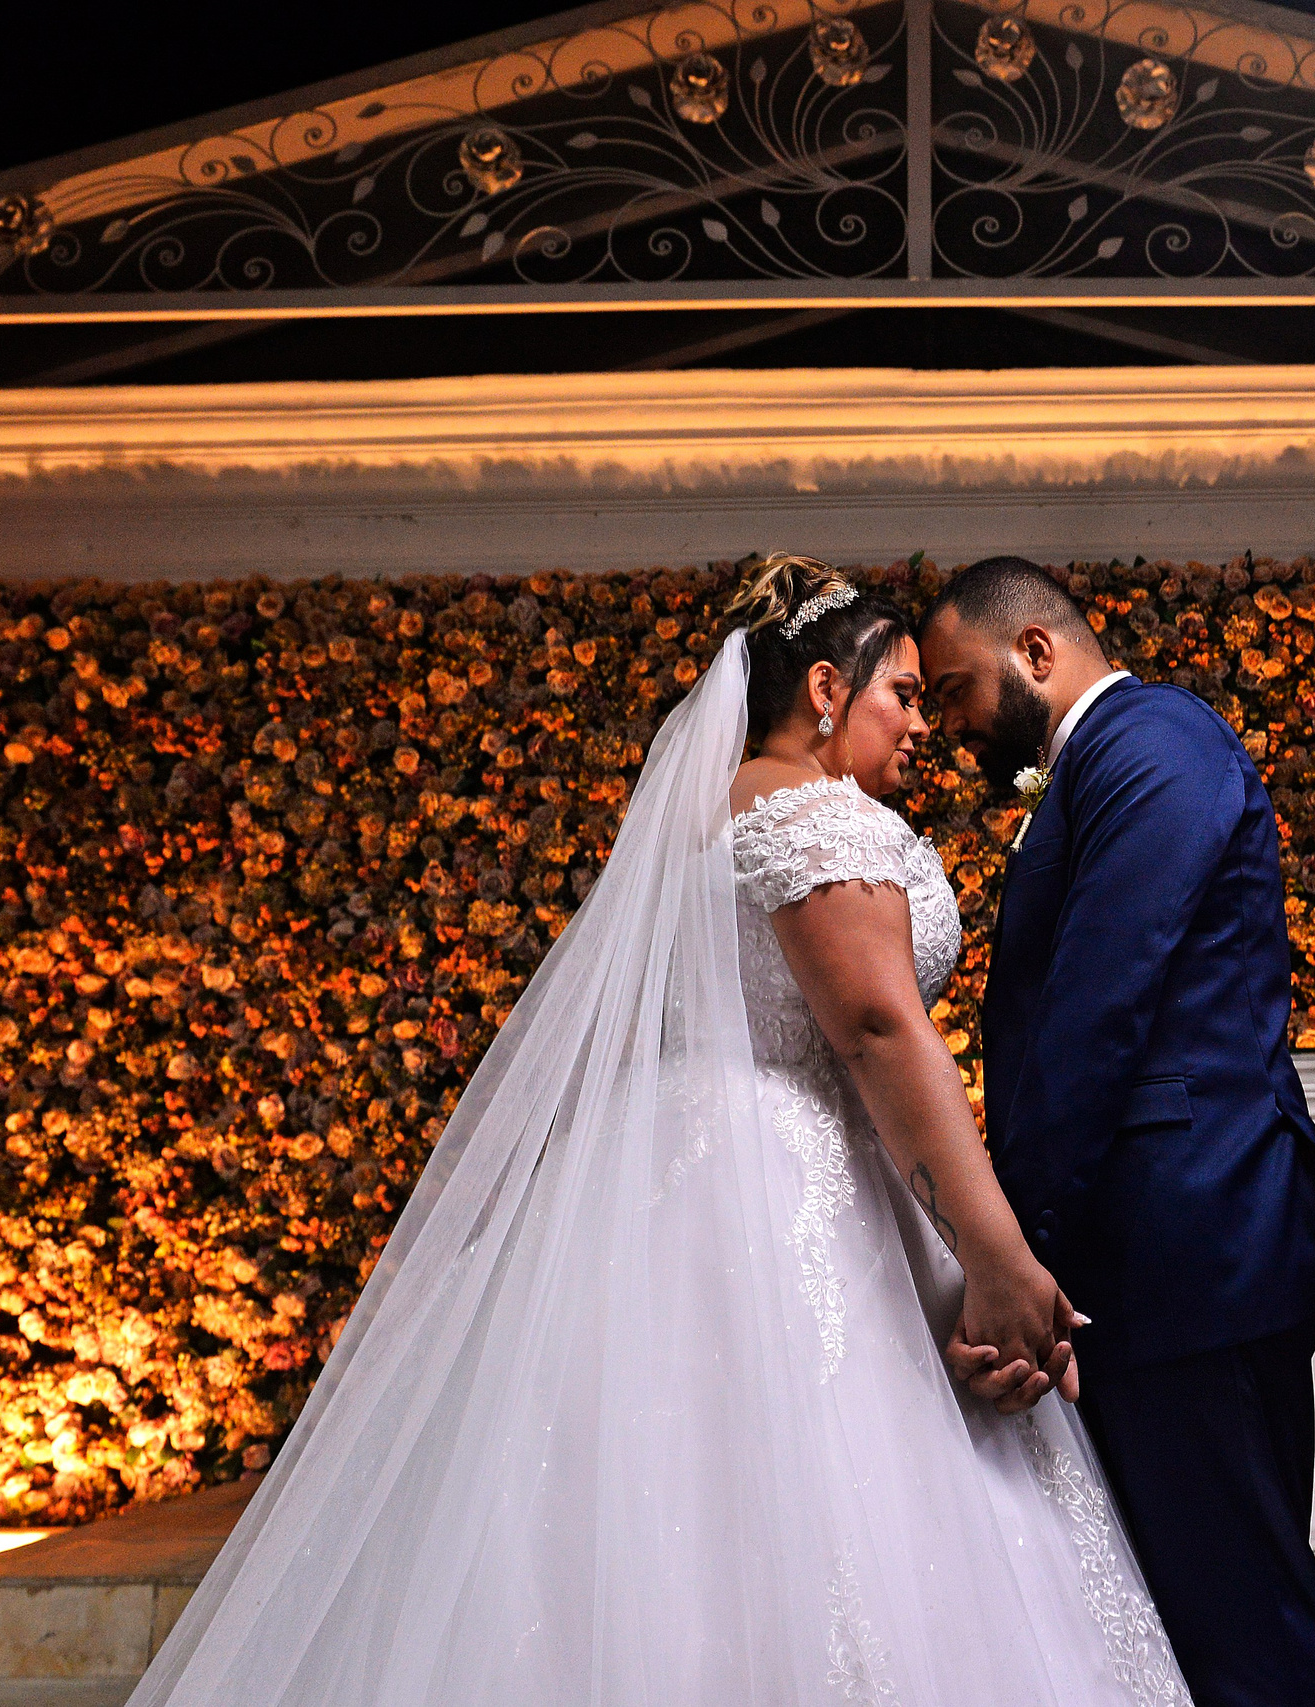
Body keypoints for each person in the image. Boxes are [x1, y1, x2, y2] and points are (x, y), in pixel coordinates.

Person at [125, 556, 1190, 1707]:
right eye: (902, 693)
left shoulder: (705, 824)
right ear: (825, 691)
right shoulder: (814, 815)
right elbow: (880, 1034)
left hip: (684, 1167)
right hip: (795, 1176)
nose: (922, 723)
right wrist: (998, 1261)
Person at [919, 557, 1315, 1707]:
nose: (945, 724)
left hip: (1191, 1241)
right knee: (1183, 1607)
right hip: (1162, 1246)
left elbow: (1099, 1005)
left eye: (953, 689)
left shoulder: (1153, 742)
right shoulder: (1105, 761)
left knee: (1239, 1616)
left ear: (1035, 651)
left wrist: (1007, 1252)